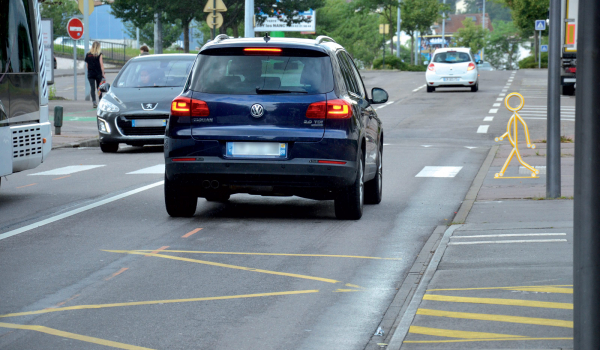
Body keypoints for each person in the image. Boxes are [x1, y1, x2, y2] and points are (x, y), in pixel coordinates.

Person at [84, 41, 105, 108]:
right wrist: (103, 74)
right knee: (99, 88)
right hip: (98, 73)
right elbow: (101, 65)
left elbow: (87, 65)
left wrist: (90, 71)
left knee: (92, 88)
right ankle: (100, 101)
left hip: (91, 73)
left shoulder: (88, 54)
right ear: (98, 47)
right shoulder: (99, 54)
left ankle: (94, 102)